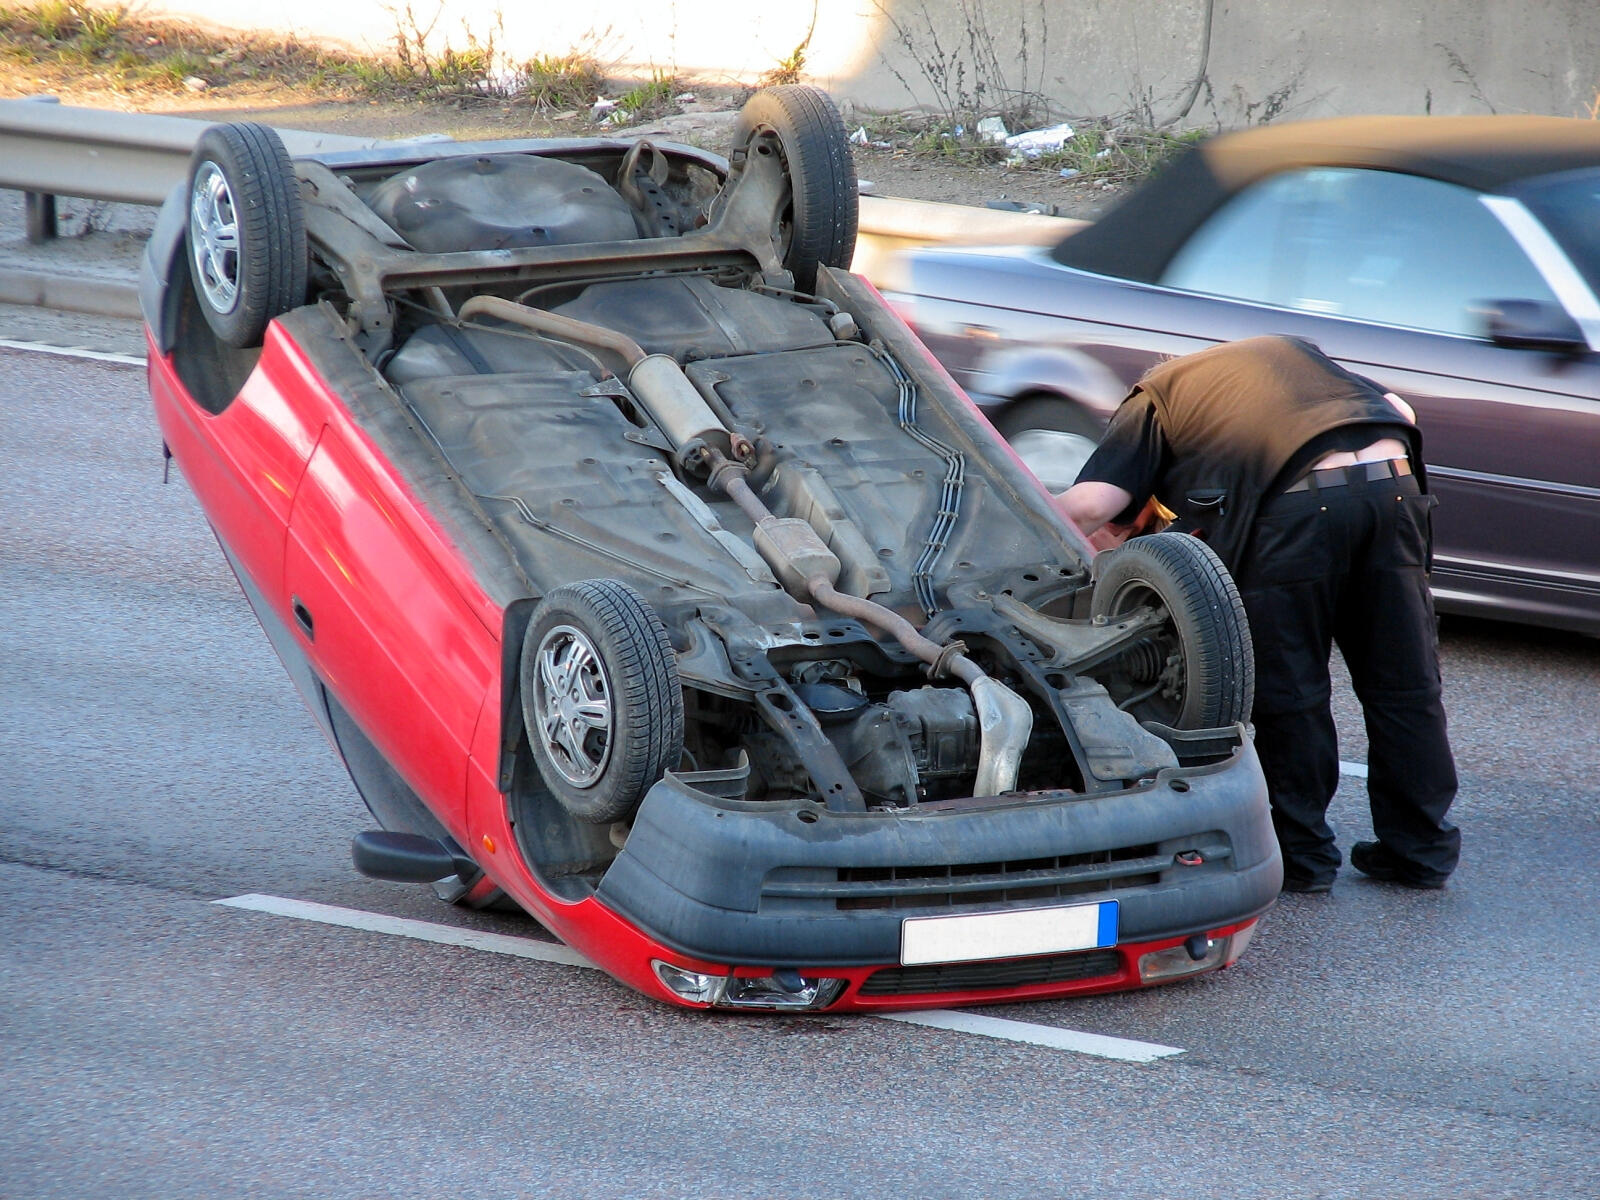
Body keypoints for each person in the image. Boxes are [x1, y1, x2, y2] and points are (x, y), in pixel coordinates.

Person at [1055, 335, 1460, 892]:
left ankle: (1304, 857)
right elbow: (1401, 412)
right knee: (1404, 684)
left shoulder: (1155, 397)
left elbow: (1092, 505)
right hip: (1395, 489)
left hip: (1299, 507)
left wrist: (1028, 520)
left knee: (1292, 692)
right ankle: (1422, 851)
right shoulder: (1287, 359)